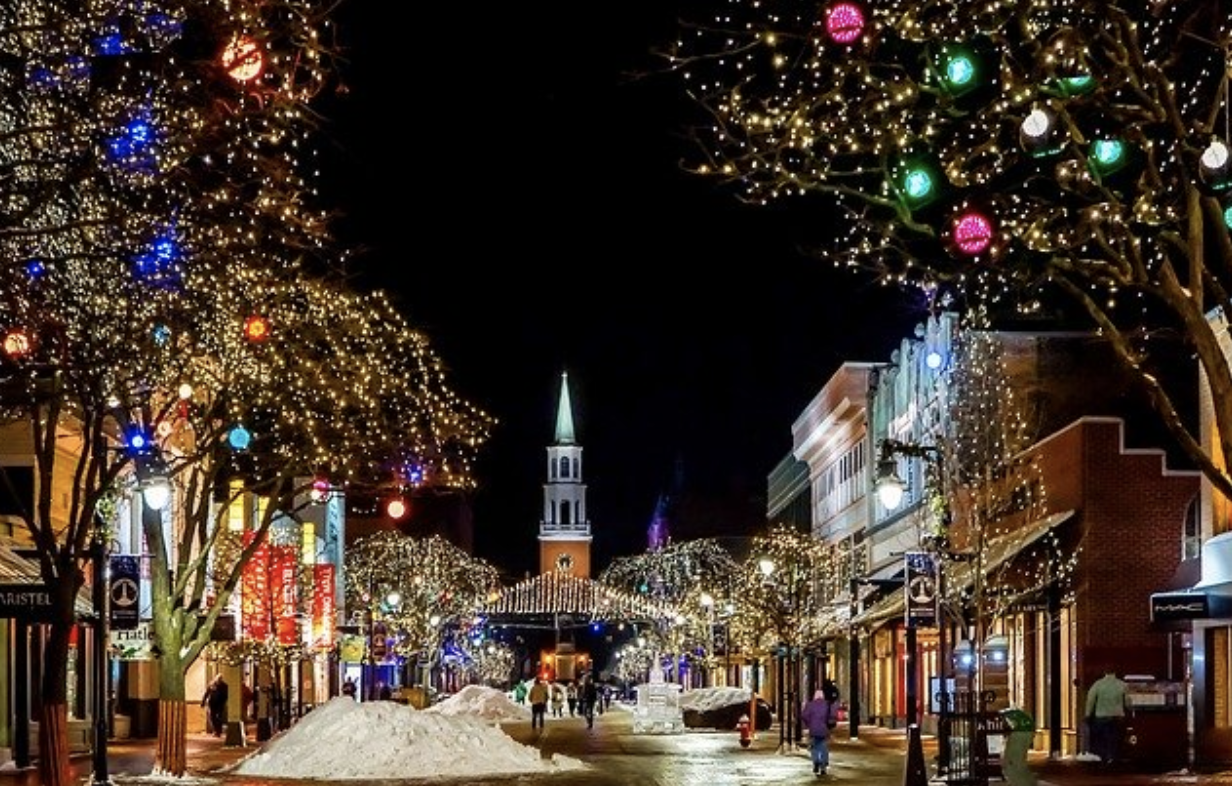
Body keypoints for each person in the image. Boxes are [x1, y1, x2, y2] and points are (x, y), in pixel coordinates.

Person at [1085, 669, 1131, 764]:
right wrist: (1128, 709)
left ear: (1104, 673)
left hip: (1101, 716)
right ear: (1116, 673)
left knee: (1102, 739)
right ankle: (1114, 757)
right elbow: (1128, 702)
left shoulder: (1098, 684)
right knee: (1115, 738)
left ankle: (1104, 758)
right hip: (1117, 716)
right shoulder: (1122, 684)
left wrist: (1088, 714)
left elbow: (1090, 700)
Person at [800, 688, 839, 776]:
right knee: (823, 747)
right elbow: (832, 715)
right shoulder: (827, 705)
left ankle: (816, 761)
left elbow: (804, 715)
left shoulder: (810, 705)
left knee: (814, 747)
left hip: (813, 729)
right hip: (824, 729)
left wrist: (809, 723)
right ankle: (823, 765)